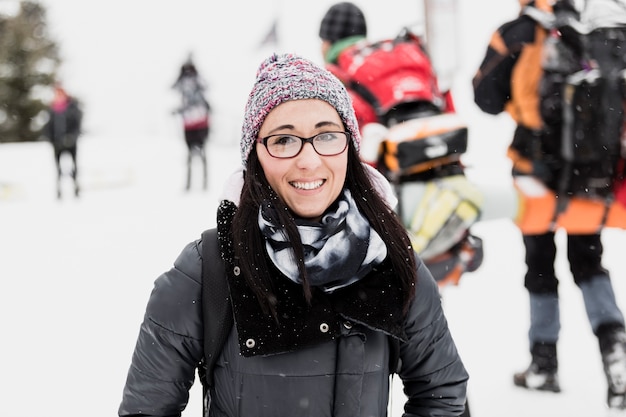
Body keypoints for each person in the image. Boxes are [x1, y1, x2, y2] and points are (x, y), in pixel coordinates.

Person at [119, 52, 468, 416]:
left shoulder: (388, 257)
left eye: (327, 136)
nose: (308, 160)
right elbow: (147, 408)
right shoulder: (208, 268)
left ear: (349, 146)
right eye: (284, 140)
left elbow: (440, 392)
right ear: (255, 154)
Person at [473, 0, 626, 410]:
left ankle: (544, 364)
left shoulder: (519, 31)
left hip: (535, 171)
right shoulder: (593, 27)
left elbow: (485, 99)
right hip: (588, 170)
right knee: (589, 262)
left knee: (539, 264)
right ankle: (617, 358)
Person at [172, 58, 211, 191]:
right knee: (196, 155)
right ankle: (196, 184)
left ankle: (198, 184)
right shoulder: (188, 81)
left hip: (196, 124)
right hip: (196, 124)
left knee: (197, 155)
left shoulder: (193, 80)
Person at [42, 84, 82, 199]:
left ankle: (76, 188)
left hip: (71, 144)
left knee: (74, 166)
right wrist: (51, 139)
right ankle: (59, 190)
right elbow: (48, 127)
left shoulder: (73, 108)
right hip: (57, 144)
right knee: (58, 168)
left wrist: (71, 138)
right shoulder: (52, 110)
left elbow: (77, 125)